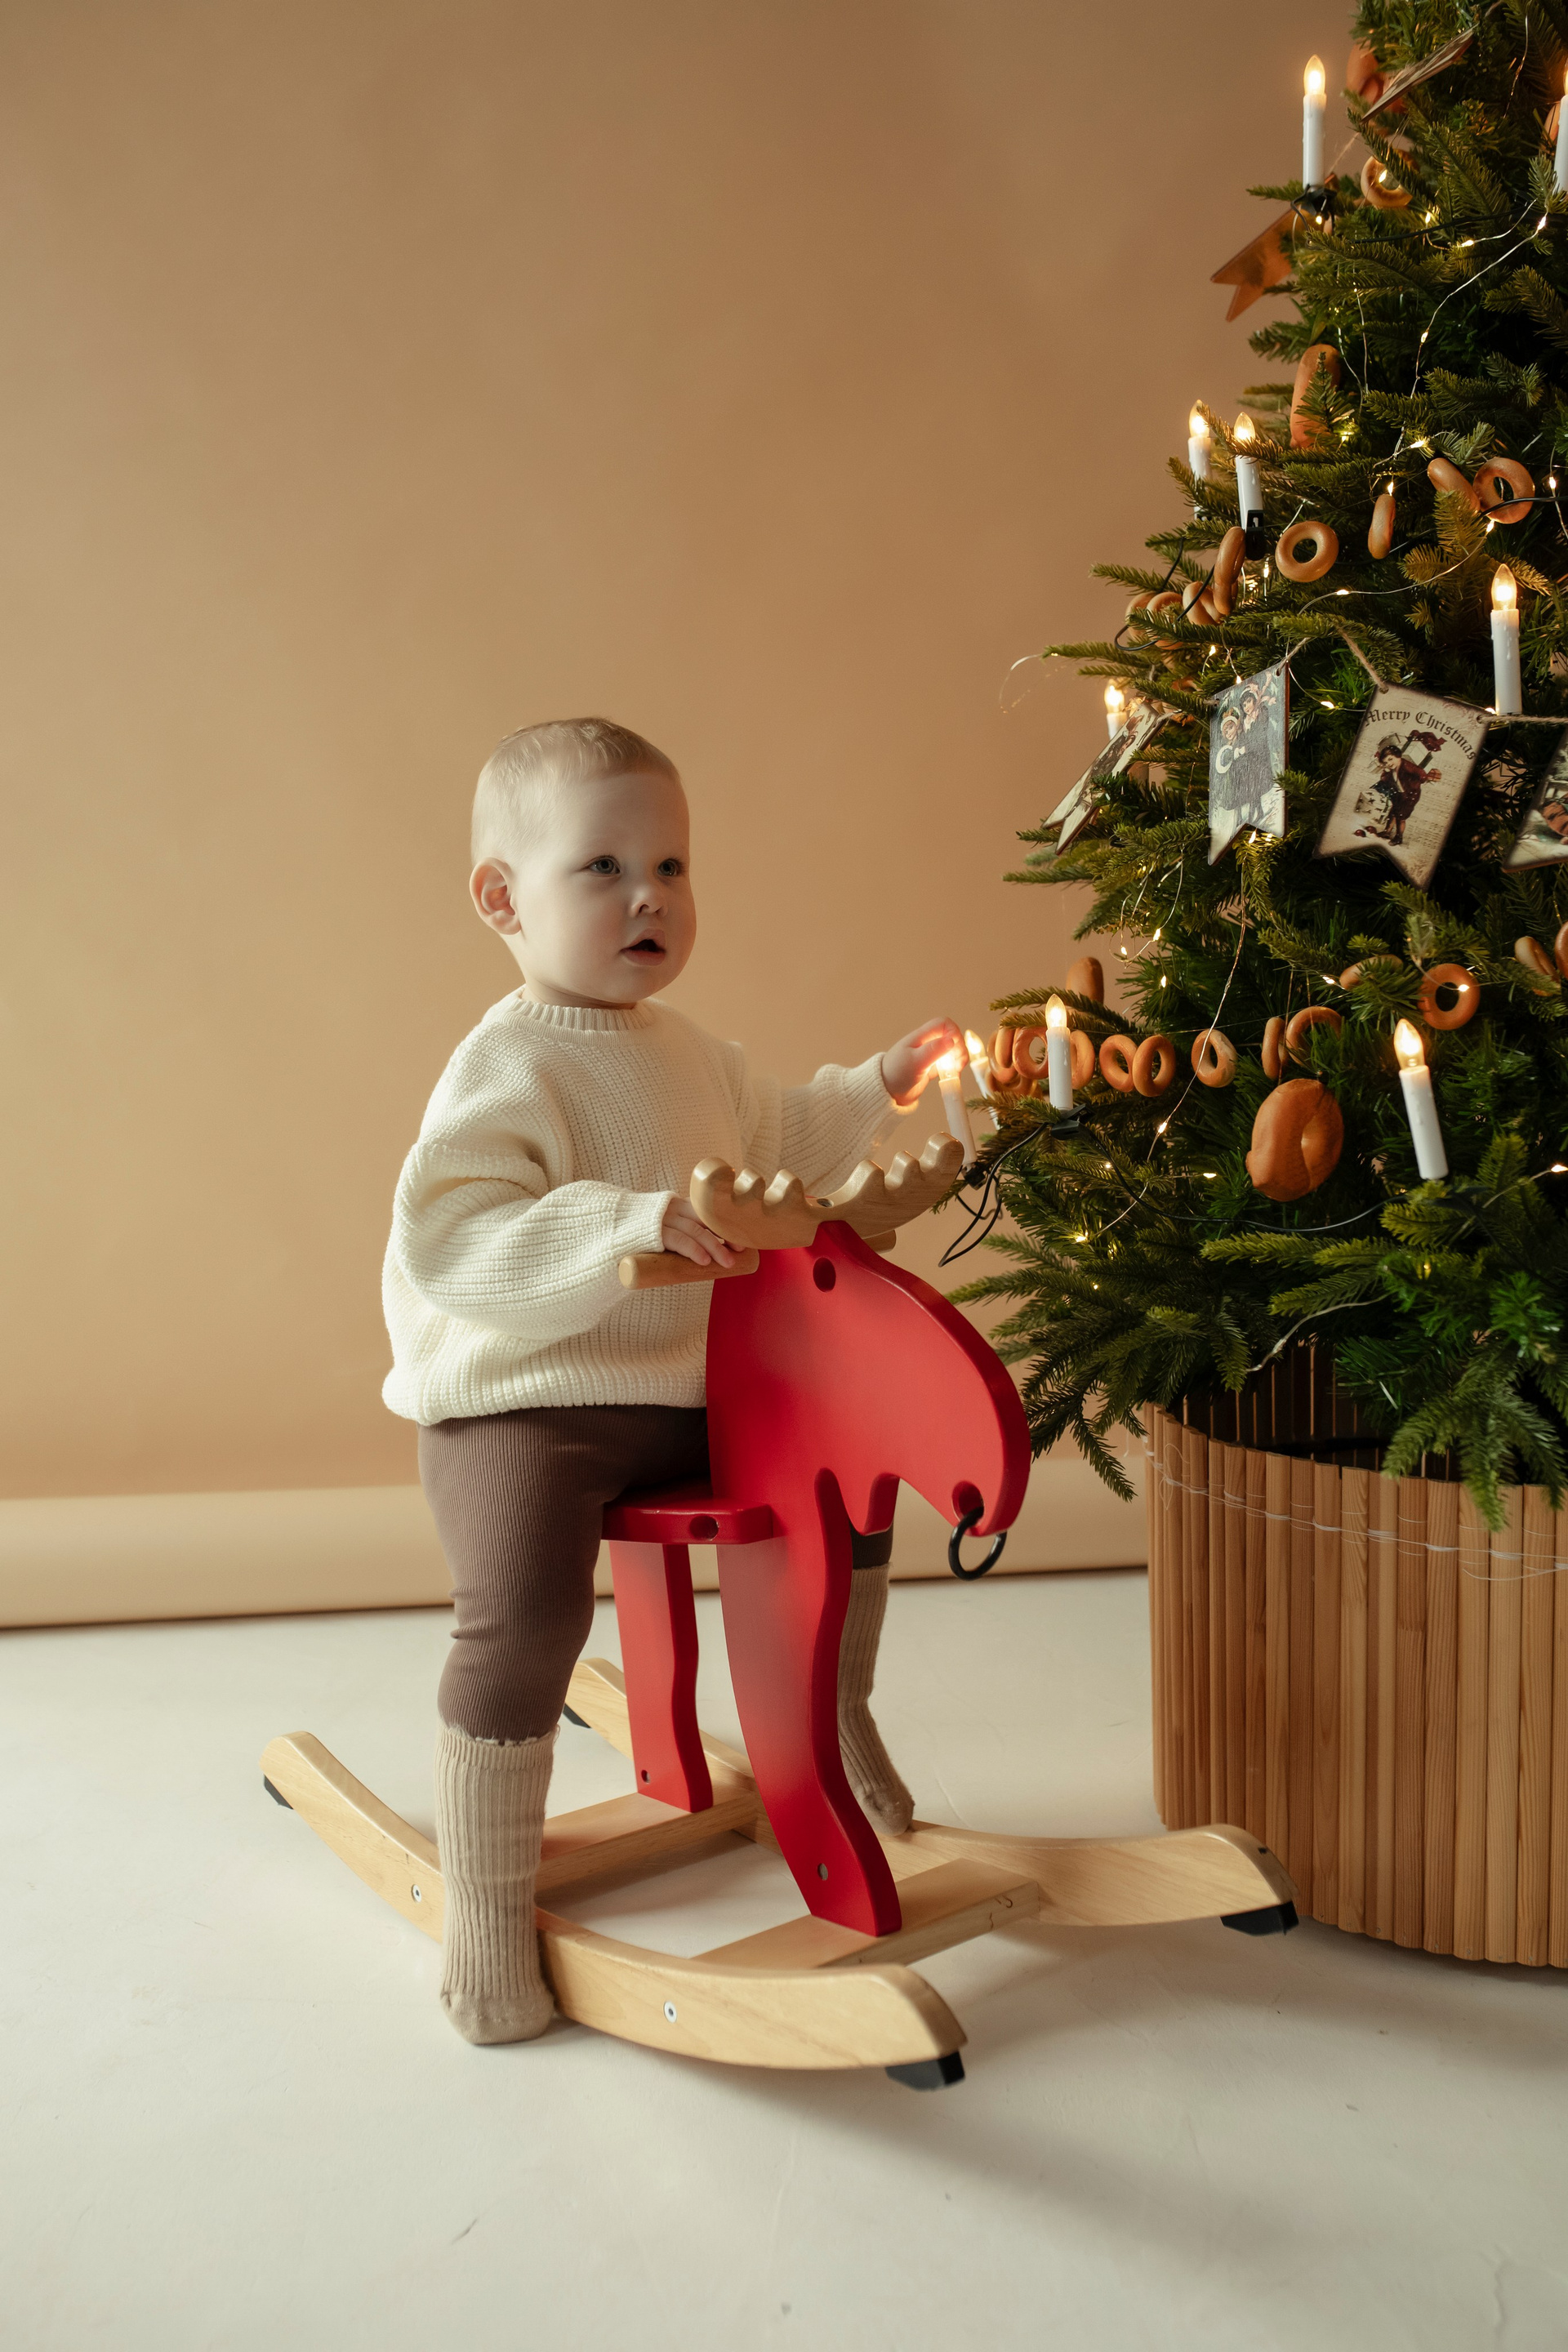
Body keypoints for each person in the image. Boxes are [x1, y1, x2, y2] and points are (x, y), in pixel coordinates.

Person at [382, 716, 962, 2044]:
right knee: (523, 1618)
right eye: (603, 868)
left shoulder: (690, 1053)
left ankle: (839, 1723)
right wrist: (627, 1223)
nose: (650, 896)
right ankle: (487, 1917)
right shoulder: (507, 1064)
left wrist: (876, 1087)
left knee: (847, 1483)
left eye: (672, 866)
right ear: (502, 899)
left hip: (691, 1395)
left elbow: (777, 1140)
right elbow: (454, 1238)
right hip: (528, 1397)